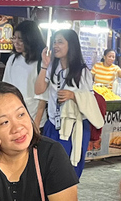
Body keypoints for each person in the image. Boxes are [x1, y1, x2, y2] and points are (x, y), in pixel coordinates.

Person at [34, 29, 103, 179]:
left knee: (68, 170)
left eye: (60, 42)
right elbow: (39, 89)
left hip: (74, 128)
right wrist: (44, 65)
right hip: (53, 124)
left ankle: (69, 200)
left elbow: (90, 101)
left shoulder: (82, 71)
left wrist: (73, 96)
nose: (56, 45)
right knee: (49, 168)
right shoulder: (52, 67)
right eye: (54, 42)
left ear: (71, 45)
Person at [3, 20, 48, 127]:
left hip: (35, 119)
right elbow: (5, 87)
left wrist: (36, 124)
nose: (16, 43)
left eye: (21, 39)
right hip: (15, 118)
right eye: (14, 38)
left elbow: (43, 99)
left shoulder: (42, 62)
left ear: (31, 39)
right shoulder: (12, 60)